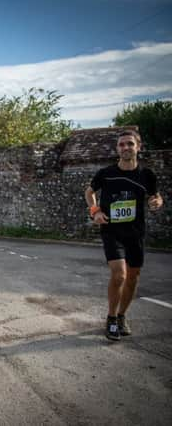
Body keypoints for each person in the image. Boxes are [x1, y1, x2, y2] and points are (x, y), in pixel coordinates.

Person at [84, 129, 163, 341]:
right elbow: (89, 192)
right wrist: (95, 211)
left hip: (135, 232)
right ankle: (110, 318)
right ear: (117, 149)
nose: (125, 148)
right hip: (112, 231)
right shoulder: (106, 173)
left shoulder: (146, 175)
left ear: (138, 147)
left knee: (133, 277)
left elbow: (155, 196)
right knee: (120, 274)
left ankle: (121, 316)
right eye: (121, 145)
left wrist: (156, 202)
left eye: (130, 144)